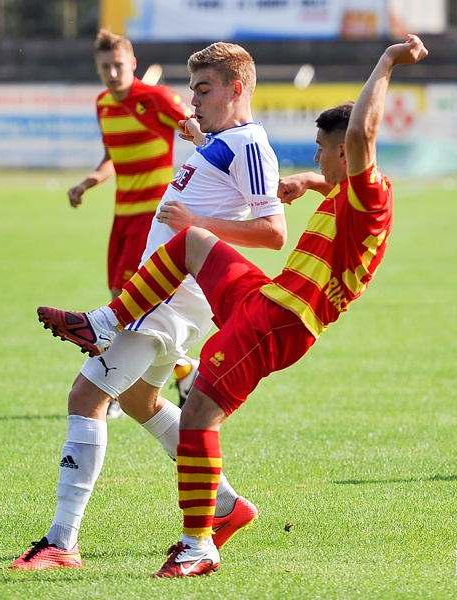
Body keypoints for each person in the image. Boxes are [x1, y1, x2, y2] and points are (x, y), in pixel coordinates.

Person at [38, 35, 429, 577]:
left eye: (322, 150)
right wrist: (312, 181)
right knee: (192, 248)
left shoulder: (369, 193)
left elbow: (359, 135)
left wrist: (386, 62)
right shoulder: (342, 192)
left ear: (347, 153)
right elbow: (321, 177)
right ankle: (105, 321)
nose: (315, 156)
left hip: (282, 321)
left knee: (195, 411)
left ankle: (193, 545)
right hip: (266, 298)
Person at [10, 41, 289, 571]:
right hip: (166, 295)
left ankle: (61, 540)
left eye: (204, 89)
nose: (193, 98)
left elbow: (273, 232)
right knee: (140, 402)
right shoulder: (225, 141)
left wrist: (197, 226)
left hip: (168, 300)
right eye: (191, 88)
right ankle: (226, 506)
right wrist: (199, 140)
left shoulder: (251, 144)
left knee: (87, 394)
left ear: (238, 89)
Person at [71, 29, 200, 418]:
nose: (112, 73)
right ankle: (185, 370)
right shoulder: (103, 105)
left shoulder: (158, 99)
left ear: (133, 64)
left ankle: (111, 391)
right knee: (119, 297)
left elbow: (200, 134)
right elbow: (111, 158)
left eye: (118, 65)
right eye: (104, 67)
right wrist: (89, 182)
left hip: (155, 217)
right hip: (122, 216)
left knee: (129, 305)